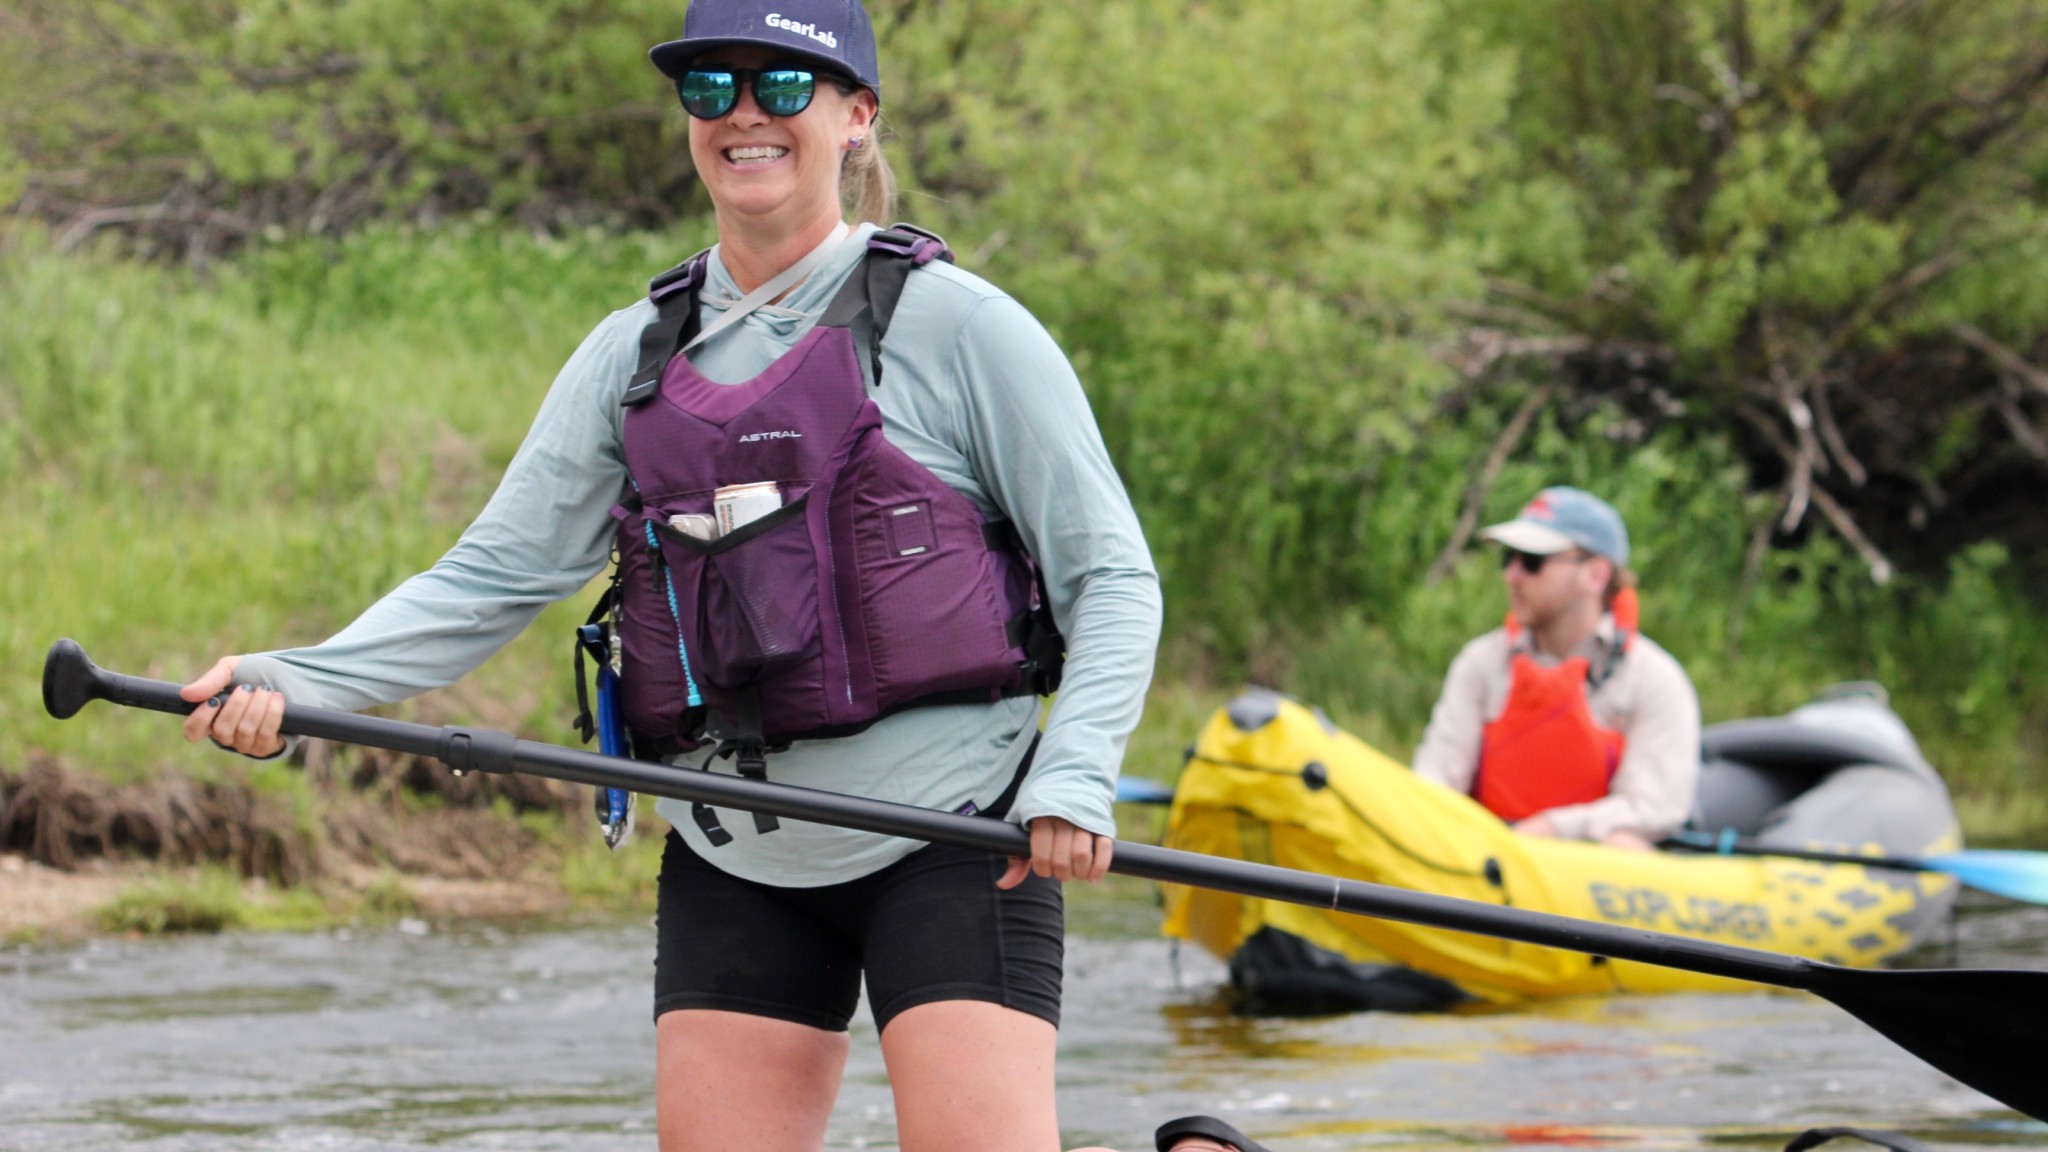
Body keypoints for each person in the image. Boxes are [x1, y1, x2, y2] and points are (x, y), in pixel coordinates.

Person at [164, 2, 1256, 1149]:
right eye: (709, 88)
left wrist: (1073, 777)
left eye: (781, 86)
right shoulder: (631, 353)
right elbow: (492, 577)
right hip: (732, 841)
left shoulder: (961, 328)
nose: (742, 114)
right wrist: (299, 681)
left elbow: (1110, 575)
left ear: (855, 116)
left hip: (959, 834)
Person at [1411, 486, 1700, 850]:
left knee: (1624, 844)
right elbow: (1435, 776)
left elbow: (1653, 807)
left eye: (1532, 561)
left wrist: (1551, 828)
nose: (1512, 575)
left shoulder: (1655, 680)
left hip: (1583, 865)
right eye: (1509, 559)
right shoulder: (1480, 661)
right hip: (1483, 855)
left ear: (1595, 575)